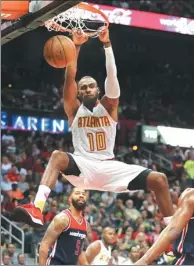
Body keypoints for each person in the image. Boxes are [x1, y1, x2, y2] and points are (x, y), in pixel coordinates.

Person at [12, 28, 173, 228]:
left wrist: (107, 45)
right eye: (84, 87)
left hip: (109, 166)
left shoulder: (109, 106)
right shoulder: (73, 109)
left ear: (98, 90)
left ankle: (173, 233)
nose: (87, 88)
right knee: (58, 156)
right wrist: (75, 46)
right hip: (83, 166)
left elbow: (113, 81)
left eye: (91, 86)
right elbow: (70, 77)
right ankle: (37, 208)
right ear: (79, 93)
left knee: (160, 180)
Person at [135, 188, 194, 265]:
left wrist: (144, 260)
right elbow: (172, 230)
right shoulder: (191, 197)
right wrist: (144, 260)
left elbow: (173, 230)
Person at [39, 188, 90, 265]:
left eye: (83, 194)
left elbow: (79, 251)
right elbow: (45, 244)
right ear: (69, 199)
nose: (81, 195)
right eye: (77, 193)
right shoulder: (62, 218)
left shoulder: (85, 224)